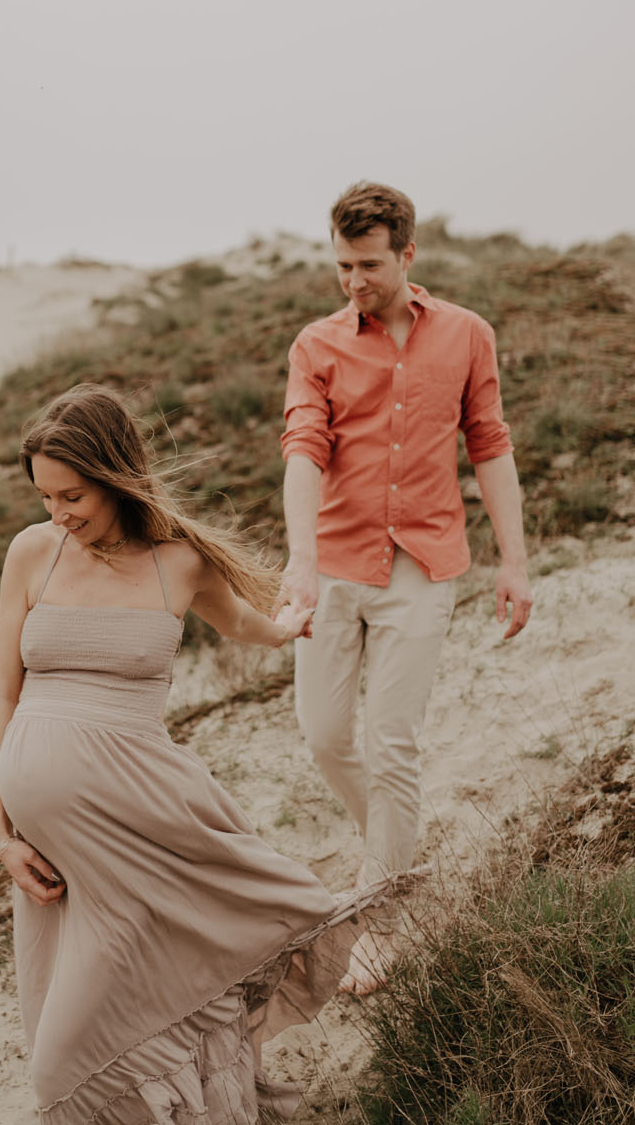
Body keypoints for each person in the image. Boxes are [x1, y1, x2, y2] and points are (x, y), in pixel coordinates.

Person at [0, 384, 404, 1125]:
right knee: (68, 1031)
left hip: (146, 821)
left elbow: (247, 622)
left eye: (73, 494)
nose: (58, 512)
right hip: (56, 849)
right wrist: (0, 831)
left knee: (89, 1042)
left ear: (115, 475)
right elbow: (0, 694)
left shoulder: (179, 561)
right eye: (46, 496)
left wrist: (288, 627)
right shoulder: (31, 553)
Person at [278, 181, 533, 996]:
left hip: (424, 565)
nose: (355, 280)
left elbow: (490, 445)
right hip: (335, 564)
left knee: (393, 739)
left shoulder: (466, 335)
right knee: (322, 733)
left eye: (371, 265)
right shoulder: (315, 346)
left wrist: (516, 560)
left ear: (408, 255)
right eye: (344, 265)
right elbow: (303, 452)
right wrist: (300, 558)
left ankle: (383, 917)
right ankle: (394, 850)